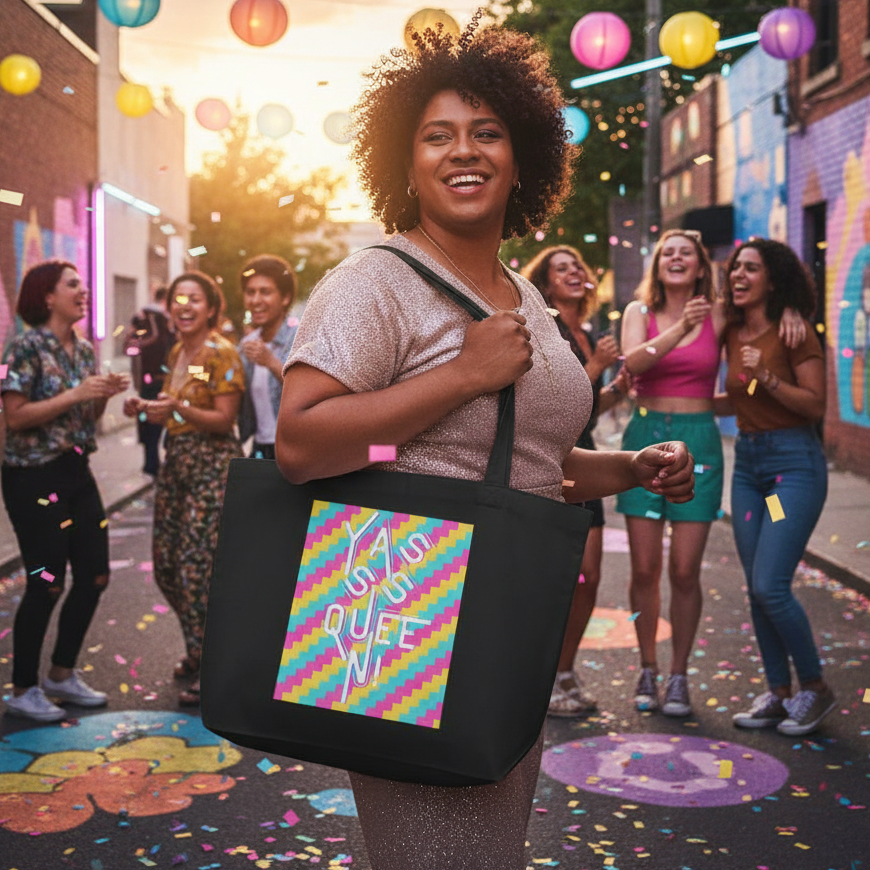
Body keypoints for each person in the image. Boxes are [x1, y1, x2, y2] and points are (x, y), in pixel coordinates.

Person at [274, 20, 694, 870]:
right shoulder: (374, 281)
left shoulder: (521, 295)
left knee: (491, 848)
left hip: (511, 613)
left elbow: (530, 463)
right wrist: (463, 375)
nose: (463, 151)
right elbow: (301, 444)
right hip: (407, 609)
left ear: (522, 157)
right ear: (405, 164)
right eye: (437, 135)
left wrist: (629, 468)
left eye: (487, 132)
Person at [617, 230, 805, 718]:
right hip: (643, 434)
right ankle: (647, 667)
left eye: (687, 253)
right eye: (668, 253)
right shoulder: (639, 312)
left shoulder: (721, 315)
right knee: (644, 568)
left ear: (702, 266)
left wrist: (790, 311)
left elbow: (763, 312)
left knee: (684, 569)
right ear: (658, 265)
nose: (677, 259)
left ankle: (679, 675)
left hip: (700, 439)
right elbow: (633, 361)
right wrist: (682, 327)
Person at [716, 239, 834, 736]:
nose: (739, 275)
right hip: (749, 468)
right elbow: (738, 399)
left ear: (773, 279)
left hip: (792, 469)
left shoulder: (794, 331)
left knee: (770, 583)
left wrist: (765, 375)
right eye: (735, 268)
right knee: (756, 585)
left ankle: (815, 687)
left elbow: (814, 405)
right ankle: (779, 692)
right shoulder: (731, 330)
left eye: (751, 268)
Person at [1, 260, 129, 721]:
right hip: (32, 477)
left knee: (95, 575)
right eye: (72, 284)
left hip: (77, 471)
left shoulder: (84, 348)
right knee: (47, 581)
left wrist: (102, 395)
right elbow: (15, 416)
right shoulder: (24, 347)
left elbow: (88, 419)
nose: (83, 290)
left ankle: (61, 673)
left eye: (83, 284)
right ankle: (23, 688)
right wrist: (76, 394)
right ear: (47, 296)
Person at [124, 271, 244, 706]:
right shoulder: (177, 351)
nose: (184, 306)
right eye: (178, 298)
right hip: (176, 463)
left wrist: (178, 408)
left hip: (211, 466)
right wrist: (147, 408)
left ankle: (212, 663)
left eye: (194, 298)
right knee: (165, 565)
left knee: (196, 569)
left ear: (210, 308)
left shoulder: (222, 352)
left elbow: (224, 420)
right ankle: (198, 645)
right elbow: (177, 409)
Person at [522, 245, 627, 716]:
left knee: (589, 578)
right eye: (560, 268)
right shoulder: (543, 329)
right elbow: (554, 399)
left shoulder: (587, 332)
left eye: (576, 266)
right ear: (546, 283)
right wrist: (598, 366)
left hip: (588, 460)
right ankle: (540, 679)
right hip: (553, 464)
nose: (572, 272)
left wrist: (617, 391)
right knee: (555, 580)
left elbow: (586, 408)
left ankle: (565, 670)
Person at [238, 255, 298, 460]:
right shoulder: (247, 344)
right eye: (250, 292)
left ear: (285, 298)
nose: (255, 301)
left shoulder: (299, 338)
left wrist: (271, 362)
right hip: (260, 448)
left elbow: (308, 393)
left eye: (265, 292)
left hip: (296, 448)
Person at [125, 285, 174, 476]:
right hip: (163, 379)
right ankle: (154, 464)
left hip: (146, 379)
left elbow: (129, 344)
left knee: (148, 421)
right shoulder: (165, 320)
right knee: (158, 421)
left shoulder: (141, 317)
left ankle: (150, 463)